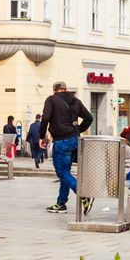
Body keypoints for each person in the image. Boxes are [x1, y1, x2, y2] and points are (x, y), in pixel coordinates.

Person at [40, 80, 93, 213]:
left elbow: (45, 118)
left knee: (61, 172)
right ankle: (61, 203)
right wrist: (78, 130)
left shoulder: (51, 100)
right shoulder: (75, 100)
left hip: (62, 141)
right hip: (75, 139)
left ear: (54, 90)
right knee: (66, 172)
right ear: (65, 89)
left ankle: (84, 194)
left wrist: (42, 137)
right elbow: (89, 118)